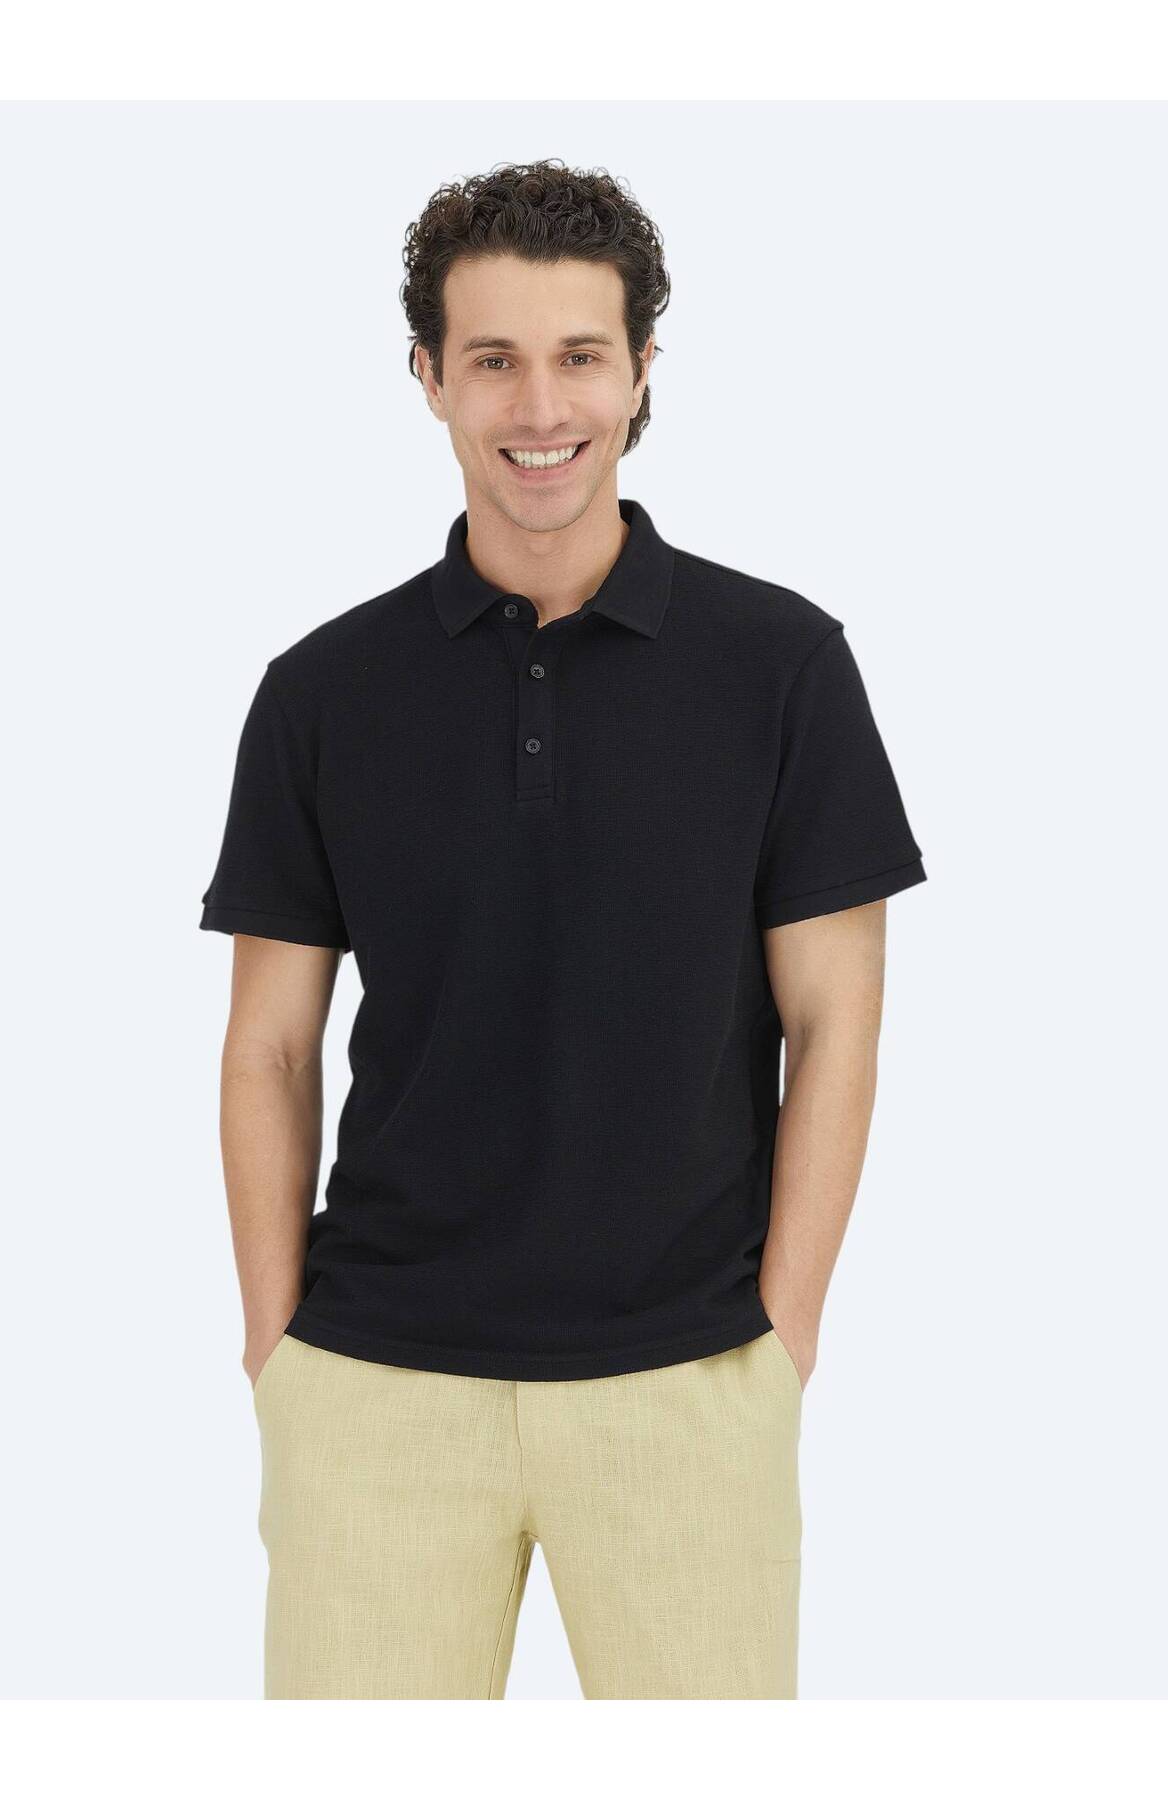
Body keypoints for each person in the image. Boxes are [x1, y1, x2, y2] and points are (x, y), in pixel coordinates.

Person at [199, 159, 927, 1700]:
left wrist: (779, 1343)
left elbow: (837, 1024)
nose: (541, 406)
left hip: (687, 1382)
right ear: (428, 376)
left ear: (643, 369)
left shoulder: (782, 667)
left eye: (581, 355)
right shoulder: (323, 692)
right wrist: (280, 1357)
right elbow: (269, 1047)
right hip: (377, 1386)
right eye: (494, 360)